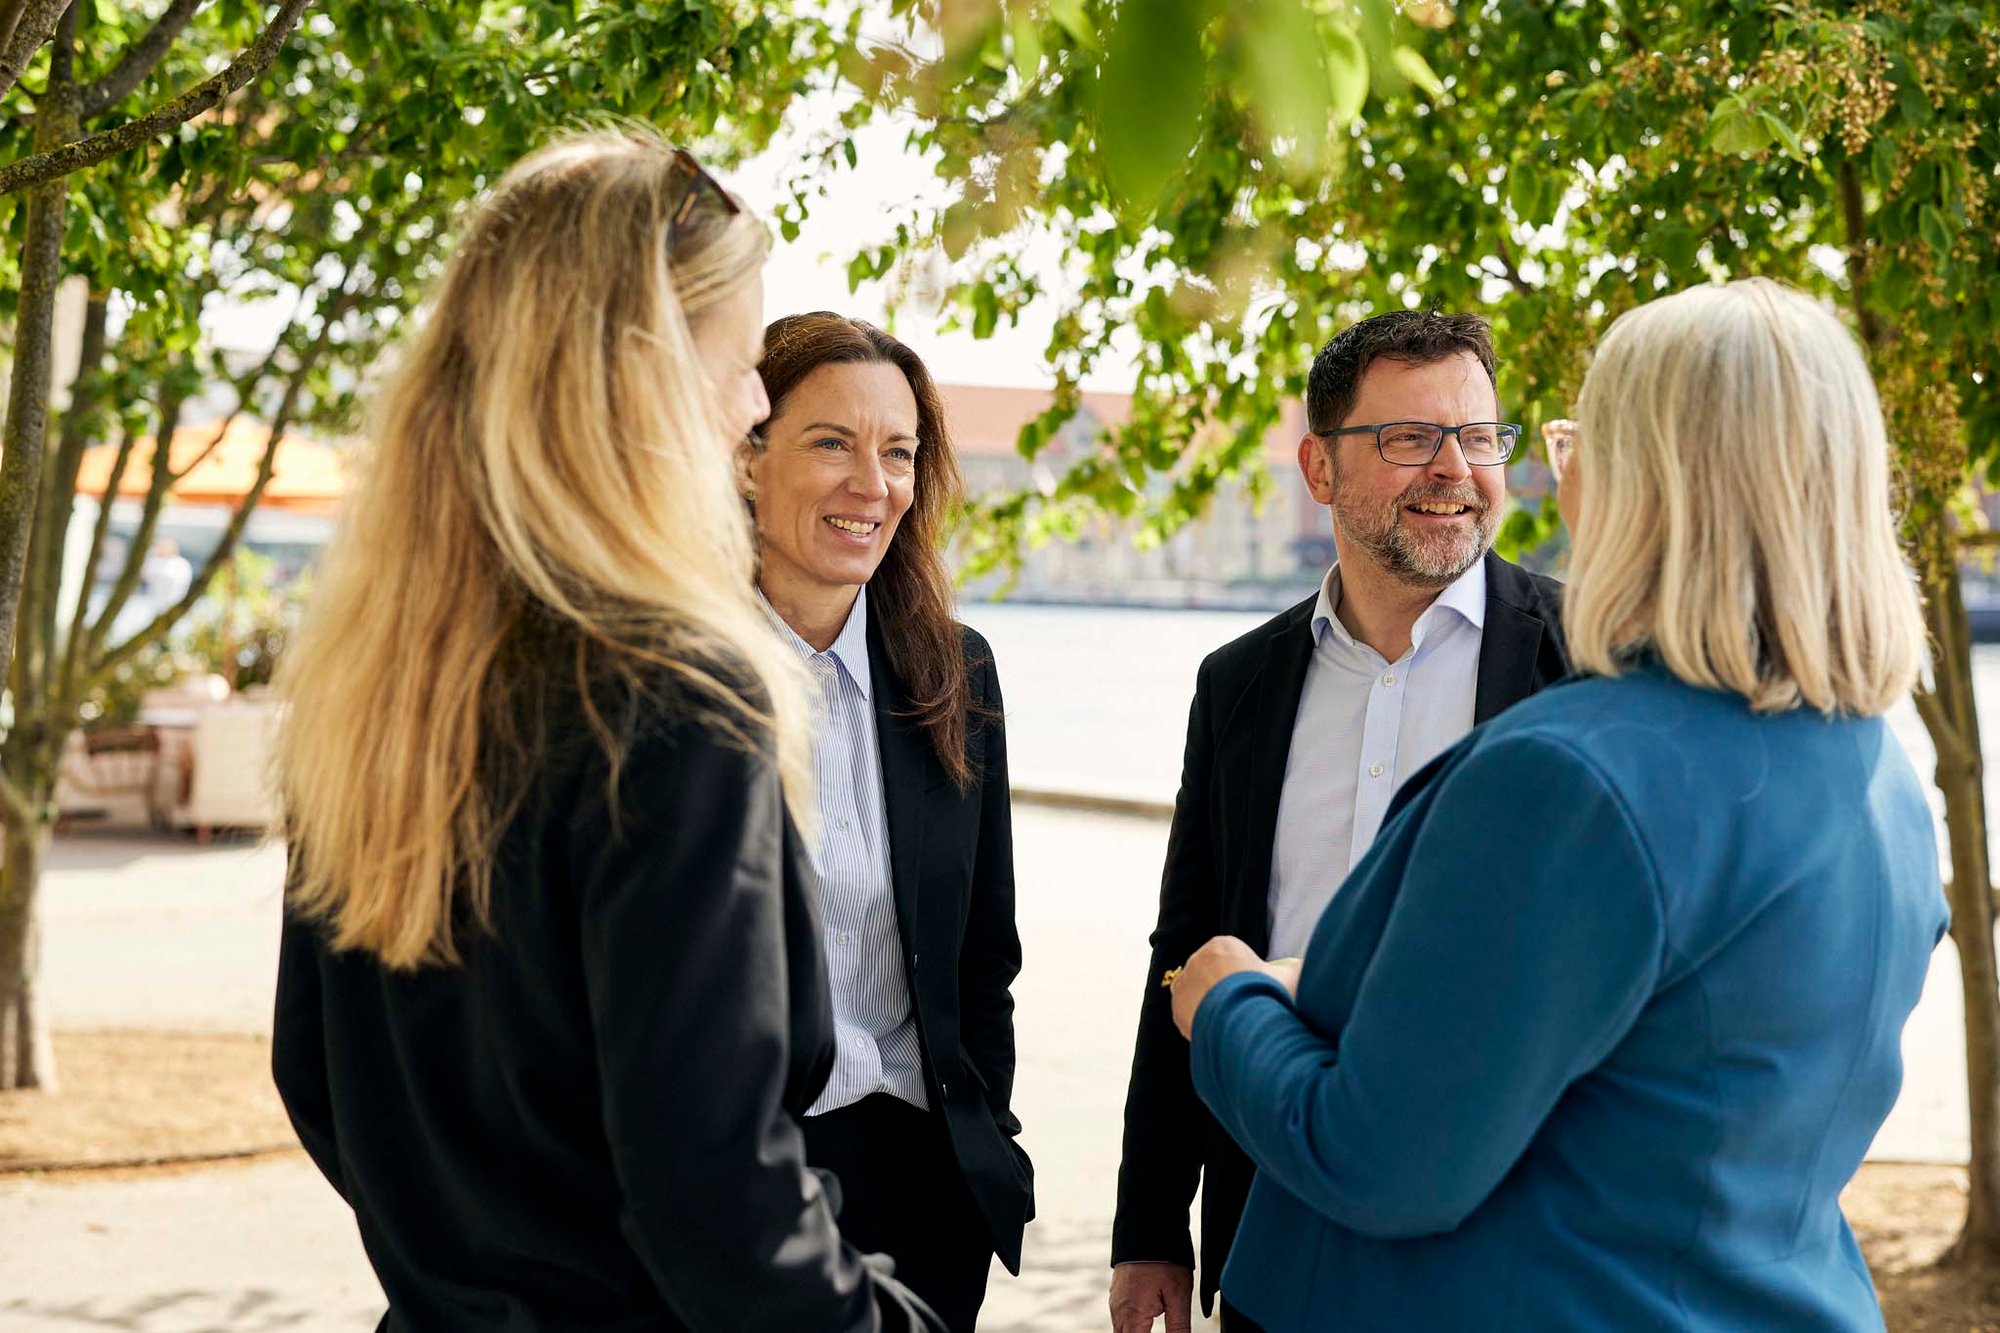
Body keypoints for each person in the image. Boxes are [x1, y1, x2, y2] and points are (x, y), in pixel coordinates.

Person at [1171, 277, 1947, 1331]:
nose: (1557, 468)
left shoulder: (1565, 778)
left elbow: (1380, 1159)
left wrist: (1225, 1002)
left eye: (1578, 435)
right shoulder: (1877, 777)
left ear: (1655, 475)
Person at [271, 132, 941, 1332]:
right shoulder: (675, 697)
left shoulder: (371, 683)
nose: (750, 411)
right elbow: (718, 1207)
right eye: (739, 364)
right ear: (634, 374)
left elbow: (315, 1079)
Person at [1110, 309, 1570, 1332]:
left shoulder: (1586, 661)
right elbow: (1184, 953)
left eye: (1477, 436)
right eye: (1408, 439)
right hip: (1269, 1228)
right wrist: (1149, 1223)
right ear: (1318, 467)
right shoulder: (1235, 684)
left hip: (1504, 1239)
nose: (1453, 468)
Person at [747, 312, 1033, 1332]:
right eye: (832, 442)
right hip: (745, 1181)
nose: (871, 483)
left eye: (898, 452)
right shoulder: (676, 681)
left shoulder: (957, 671)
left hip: (925, 1184)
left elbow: (981, 954)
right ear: (749, 457)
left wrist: (986, 1138)